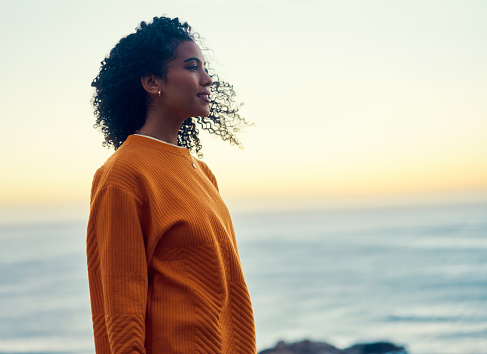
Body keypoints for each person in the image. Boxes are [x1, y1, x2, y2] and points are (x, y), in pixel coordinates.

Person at [86, 16, 256, 353]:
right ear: (152, 82)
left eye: (205, 68)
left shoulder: (202, 173)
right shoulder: (124, 175)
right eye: (193, 67)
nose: (208, 79)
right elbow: (121, 311)